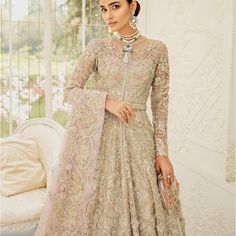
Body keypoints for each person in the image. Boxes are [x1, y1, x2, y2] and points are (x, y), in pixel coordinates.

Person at [35, 0, 186, 235]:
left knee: (146, 206)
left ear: (133, 6)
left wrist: (162, 153)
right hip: (101, 142)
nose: (108, 15)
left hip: (140, 141)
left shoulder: (157, 50)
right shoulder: (97, 48)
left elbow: (160, 108)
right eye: (103, 9)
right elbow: (70, 90)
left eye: (115, 6)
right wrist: (106, 102)